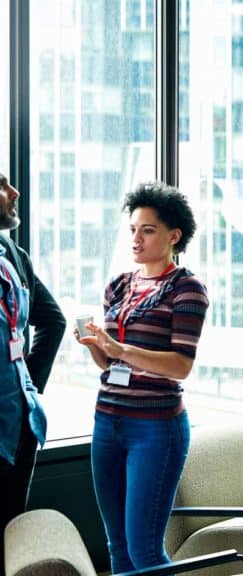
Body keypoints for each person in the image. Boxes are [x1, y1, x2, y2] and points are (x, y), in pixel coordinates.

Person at [75, 182, 208, 572]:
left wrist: (122, 350)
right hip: (108, 422)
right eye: (133, 228)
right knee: (117, 547)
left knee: (145, 550)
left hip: (156, 429)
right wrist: (97, 347)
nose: (136, 238)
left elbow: (180, 365)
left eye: (147, 230)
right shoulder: (118, 285)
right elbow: (112, 368)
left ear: (173, 235)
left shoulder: (187, 288)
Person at [0, 173, 66, 569]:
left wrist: (29, 384)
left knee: (11, 538)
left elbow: (53, 321)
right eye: (2, 185)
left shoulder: (13, 255)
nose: (15, 193)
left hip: (19, 425)